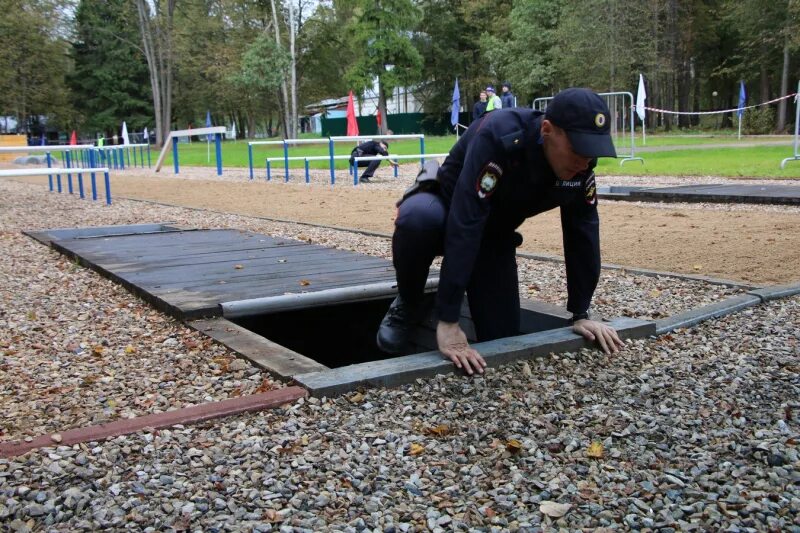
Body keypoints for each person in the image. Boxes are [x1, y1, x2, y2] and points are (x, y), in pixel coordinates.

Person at [376, 87, 625, 374]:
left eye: (592, 153)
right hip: (447, 213)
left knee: (502, 340)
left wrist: (581, 312)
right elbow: (466, 221)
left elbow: (583, 230)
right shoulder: (500, 135)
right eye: (578, 150)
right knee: (417, 219)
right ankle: (408, 300)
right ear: (547, 129)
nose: (585, 163)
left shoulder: (581, 169)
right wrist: (448, 319)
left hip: (493, 235)